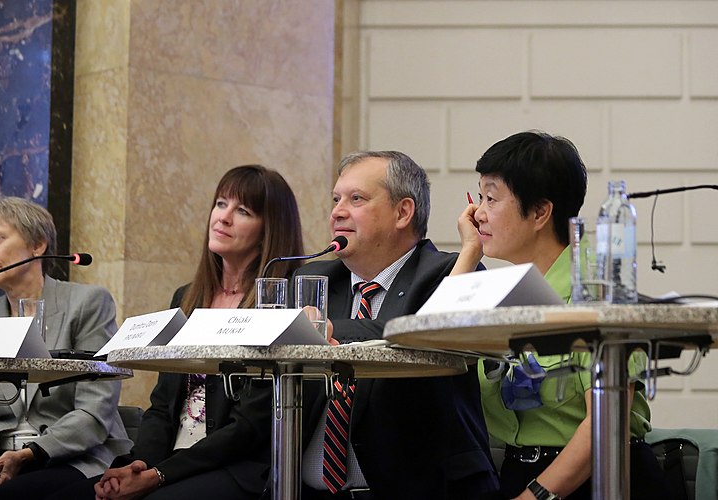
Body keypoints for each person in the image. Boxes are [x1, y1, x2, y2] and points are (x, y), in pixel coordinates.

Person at [53, 164, 305, 500]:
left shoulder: (279, 303)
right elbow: (161, 405)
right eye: (220, 204)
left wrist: (158, 476)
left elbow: (250, 426)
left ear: (269, 230)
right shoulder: (186, 297)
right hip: (168, 462)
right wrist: (140, 466)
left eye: (242, 211)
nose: (223, 218)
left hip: (239, 468)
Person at [453, 131, 668, 500]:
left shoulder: (597, 292)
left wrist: (536, 495)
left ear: (539, 212)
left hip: (599, 477)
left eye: (492, 198)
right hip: (517, 472)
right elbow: (438, 342)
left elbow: (605, 422)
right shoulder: (504, 293)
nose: (479, 214)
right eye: (480, 196)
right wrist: (470, 253)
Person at [295, 151, 499, 500]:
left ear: (403, 212)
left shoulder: (449, 276)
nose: (337, 212)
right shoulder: (313, 281)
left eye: (356, 199)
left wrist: (326, 330)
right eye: (336, 199)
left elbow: (426, 334)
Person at [0, 197, 131, 500]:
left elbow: (94, 412)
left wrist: (28, 454)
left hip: (68, 456)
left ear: (37, 246)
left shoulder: (87, 304)